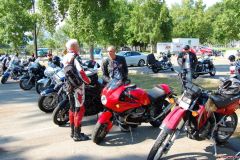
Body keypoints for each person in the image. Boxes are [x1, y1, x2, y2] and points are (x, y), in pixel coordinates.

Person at [62, 39, 91, 141]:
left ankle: (72, 132)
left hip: (69, 86)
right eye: (77, 45)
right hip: (78, 88)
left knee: (72, 109)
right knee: (79, 109)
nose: (78, 47)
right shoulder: (75, 57)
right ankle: (77, 135)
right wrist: (88, 81)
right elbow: (81, 72)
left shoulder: (65, 57)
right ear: (74, 47)